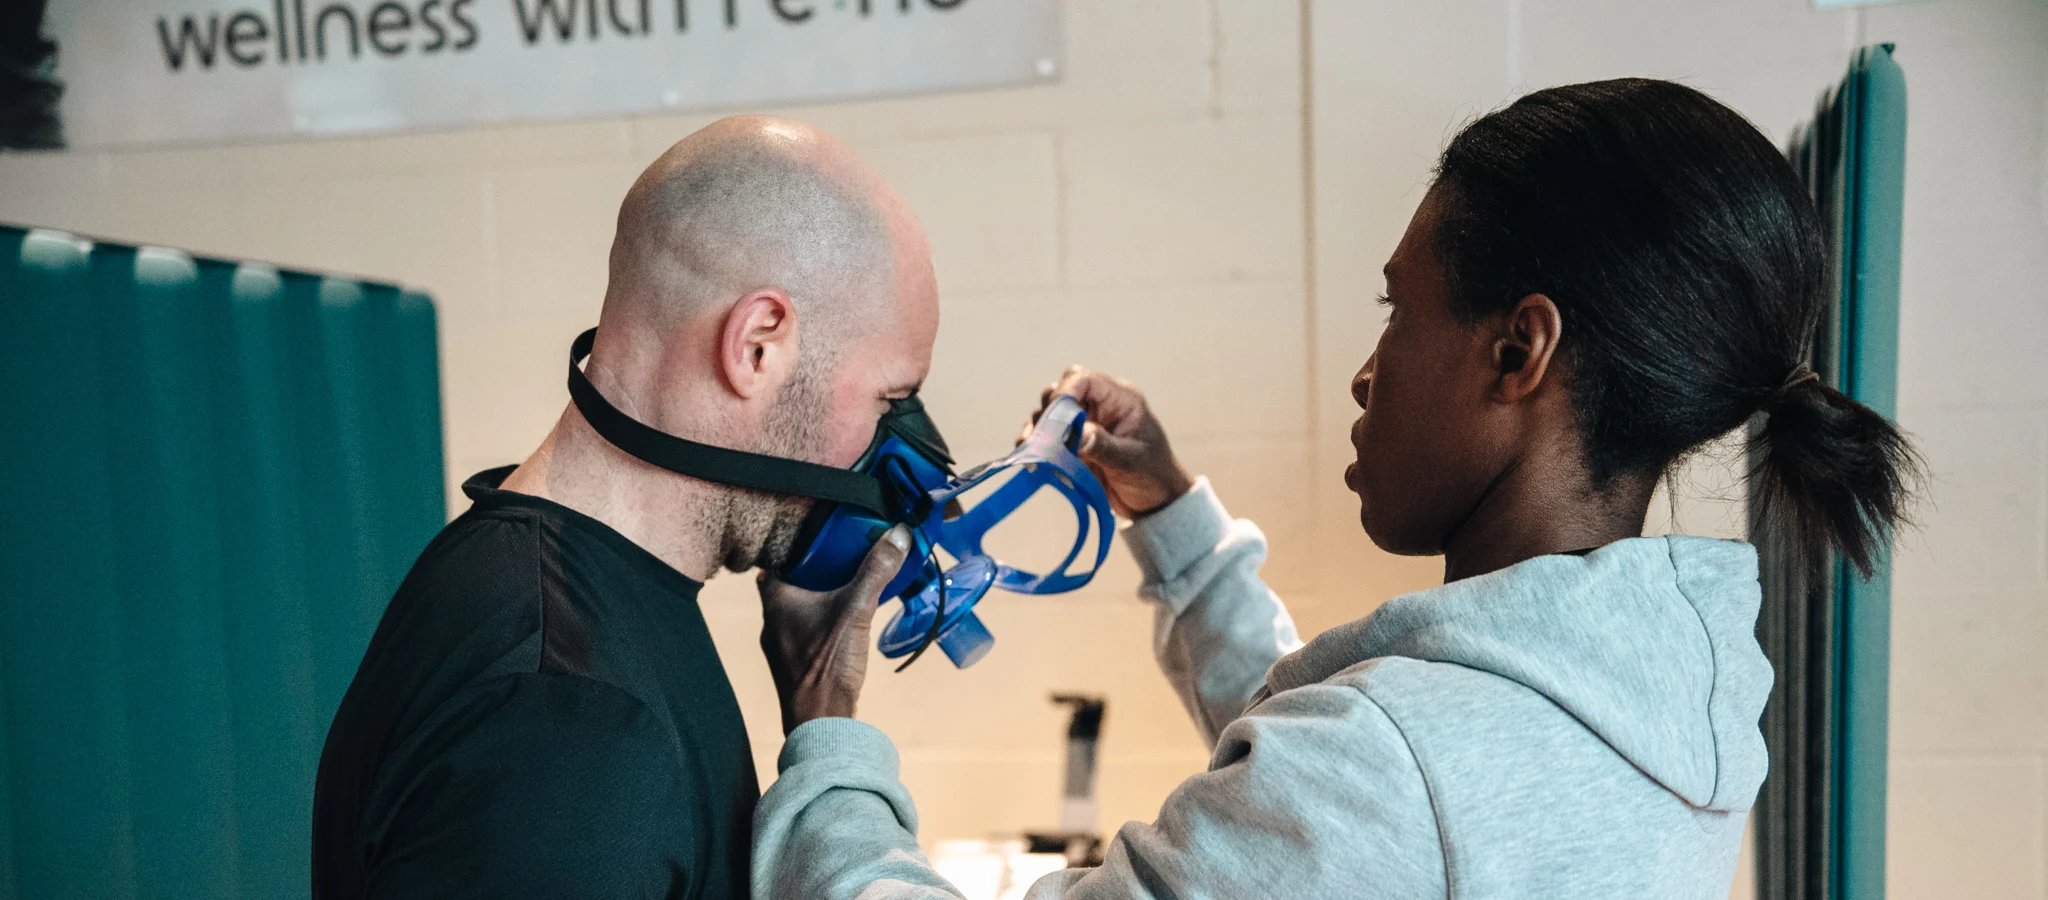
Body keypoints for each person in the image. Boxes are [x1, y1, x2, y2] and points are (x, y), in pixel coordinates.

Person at [749, 79, 1920, 898]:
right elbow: (1339, 783)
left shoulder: (1391, 771)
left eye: (1395, 312)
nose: (1366, 374)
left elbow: (1358, 784)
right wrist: (1174, 519)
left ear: (1519, 352)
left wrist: (828, 741)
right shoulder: (1668, 696)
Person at [312, 115, 937, 898]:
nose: (895, 449)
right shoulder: (567, 721)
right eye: (890, 400)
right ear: (757, 347)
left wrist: (823, 716)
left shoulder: (570, 593)